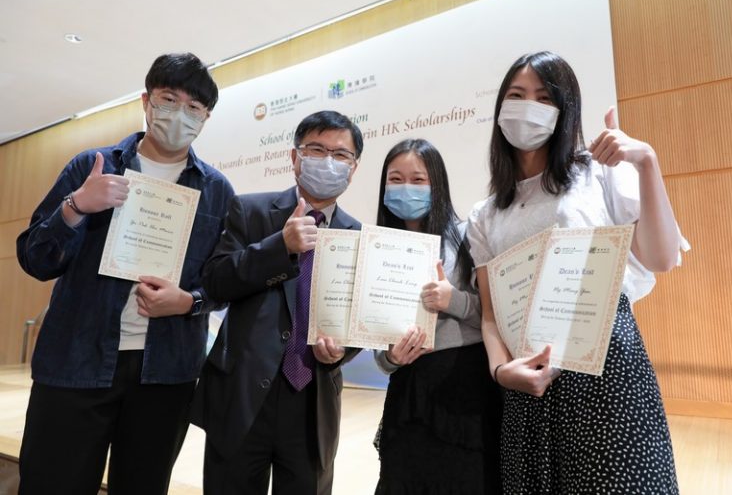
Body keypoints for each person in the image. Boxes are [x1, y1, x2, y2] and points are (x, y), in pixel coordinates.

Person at [467, 51, 688, 493]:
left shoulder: (600, 174)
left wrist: (647, 162)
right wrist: (499, 371)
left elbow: (662, 258)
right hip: (529, 382)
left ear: (564, 109)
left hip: (607, 370)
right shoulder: (485, 214)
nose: (528, 105)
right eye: (516, 95)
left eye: (544, 97)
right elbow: (490, 317)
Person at [16, 52, 234, 494]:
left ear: (206, 118)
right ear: (146, 101)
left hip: (165, 373)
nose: (180, 115)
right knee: (51, 483)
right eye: (169, 100)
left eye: (194, 108)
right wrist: (77, 207)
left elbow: (219, 281)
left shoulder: (216, 190)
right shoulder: (91, 166)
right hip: (75, 363)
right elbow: (34, 259)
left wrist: (188, 301)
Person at [191, 110, 364, 495]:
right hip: (242, 395)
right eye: (316, 150)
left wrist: (341, 351)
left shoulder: (358, 236)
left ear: (353, 169)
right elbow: (215, 282)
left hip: (312, 402)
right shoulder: (250, 210)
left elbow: (357, 321)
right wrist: (278, 247)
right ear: (294, 157)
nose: (328, 161)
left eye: (340, 155)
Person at [372, 139, 502, 494]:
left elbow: (495, 315)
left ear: (438, 184)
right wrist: (390, 357)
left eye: (418, 179)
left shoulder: (465, 238)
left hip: (465, 388)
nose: (405, 188)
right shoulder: (380, 247)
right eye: (395, 180)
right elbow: (376, 341)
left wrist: (453, 300)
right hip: (409, 390)